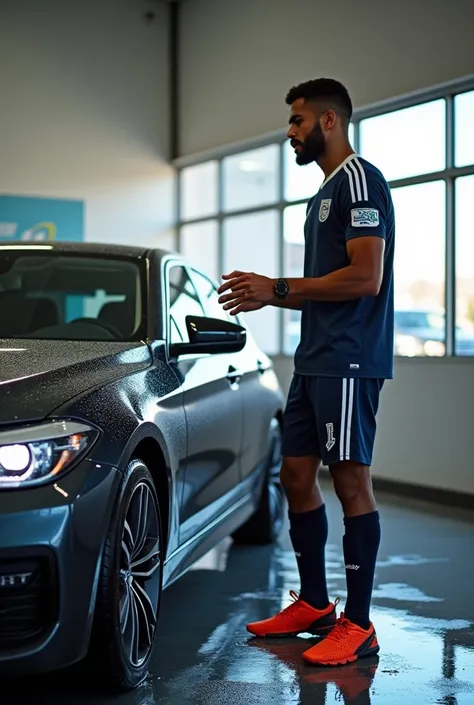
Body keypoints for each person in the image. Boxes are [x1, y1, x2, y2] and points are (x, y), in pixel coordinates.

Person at [217, 77, 395, 667]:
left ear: (328, 122)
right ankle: (316, 603)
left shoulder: (361, 181)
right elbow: (322, 289)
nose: (289, 132)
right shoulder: (322, 196)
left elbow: (365, 277)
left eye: (297, 121)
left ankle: (359, 624)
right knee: (295, 477)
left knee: (349, 485)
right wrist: (270, 295)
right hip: (315, 359)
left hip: (349, 359)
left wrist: (280, 286)